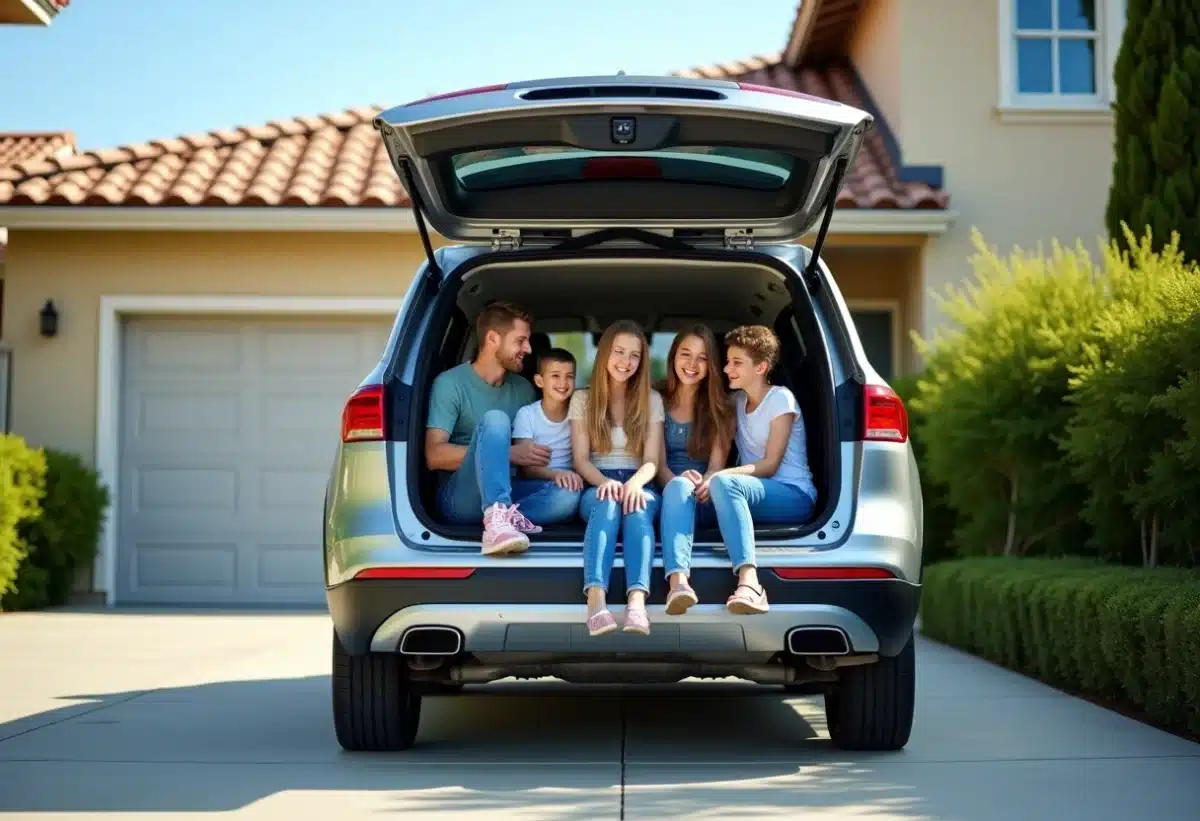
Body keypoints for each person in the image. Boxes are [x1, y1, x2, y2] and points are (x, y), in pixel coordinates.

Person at [424, 302, 579, 557]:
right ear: (493, 338)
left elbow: (529, 452)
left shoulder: (523, 389)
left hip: (512, 489)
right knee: (496, 420)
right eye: (520, 341)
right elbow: (434, 455)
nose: (528, 349)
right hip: (462, 498)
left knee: (568, 497)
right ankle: (496, 521)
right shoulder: (450, 384)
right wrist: (507, 454)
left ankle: (504, 517)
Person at [705, 325, 817, 615]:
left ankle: (750, 582)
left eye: (737, 363)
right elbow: (718, 456)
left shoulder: (781, 399)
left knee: (724, 485)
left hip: (794, 495)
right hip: (752, 493)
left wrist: (721, 477)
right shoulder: (736, 401)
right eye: (728, 361)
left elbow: (770, 465)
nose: (728, 368)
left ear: (762, 367)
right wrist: (707, 477)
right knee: (689, 490)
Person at [569, 320, 665, 637]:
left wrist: (635, 483)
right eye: (619, 351)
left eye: (634, 355)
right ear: (604, 353)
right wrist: (604, 483)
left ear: (642, 361)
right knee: (608, 506)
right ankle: (596, 601)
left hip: (640, 480)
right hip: (598, 480)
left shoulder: (652, 399)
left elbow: (652, 461)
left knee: (637, 509)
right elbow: (580, 461)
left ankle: (636, 602)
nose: (625, 361)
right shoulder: (583, 399)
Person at [655, 325, 736, 616]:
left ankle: (678, 583)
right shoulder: (655, 399)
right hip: (663, 489)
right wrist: (676, 482)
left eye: (702, 358)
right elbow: (656, 464)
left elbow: (716, 468)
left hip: (704, 496)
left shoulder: (721, 408)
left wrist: (704, 483)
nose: (691, 364)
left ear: (711, 364)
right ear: (673, 357)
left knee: (686, 488)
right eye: (685, 354)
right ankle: (678, 583)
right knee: (676, 487)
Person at [510, 347, 585, 515]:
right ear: (539, 381)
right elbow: (527, 469)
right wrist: (556, 475)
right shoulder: (527, 414)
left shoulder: (580, 414)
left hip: (572, 484)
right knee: (568, 496)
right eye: (555, 376)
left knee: (576, 494)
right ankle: (511, 518)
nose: (563, 383)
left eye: (569, 377)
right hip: (537, 484)